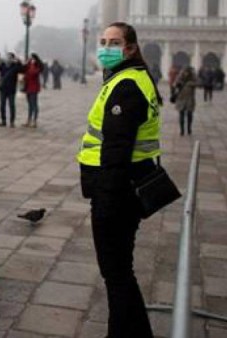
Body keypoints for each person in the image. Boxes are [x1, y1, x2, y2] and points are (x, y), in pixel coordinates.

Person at [77, 22, 159, 338]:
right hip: (126, 186)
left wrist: (106, 203)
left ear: (130, 48)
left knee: (116, 274)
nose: (106, 48)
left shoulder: (126, 85)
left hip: (116, 192)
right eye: (103, 41)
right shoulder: (130, 78)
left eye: (114, 42)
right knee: (121, 271)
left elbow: (116, 150)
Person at [0, 52, 23, 127]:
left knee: (12, 105)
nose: (8, 59)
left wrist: (18, 61)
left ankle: (12, 122)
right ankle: (3, 120)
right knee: (2, 105)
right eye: (7, 57)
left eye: (10, 57)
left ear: (13, 58)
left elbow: (22, 69)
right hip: (3, 89)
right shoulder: (3, 65)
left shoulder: (15, 66)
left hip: (11, 89)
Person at [23, 53, 44, 128]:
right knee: (30, 105)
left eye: (32, 58)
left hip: (34, 88)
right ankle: (29, 120)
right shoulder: (28, 65)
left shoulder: (37, 66)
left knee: (34, 104)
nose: (30, 59)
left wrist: (31, 65)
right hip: (28, 87)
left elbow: (33, 73)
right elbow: (23, 71)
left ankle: (34, 121)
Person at [174, 67, 197, 136]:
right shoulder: (179, 78)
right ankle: (182, 130)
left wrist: (191, 82)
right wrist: (177, 84)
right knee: (181, 114)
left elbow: (198, 83)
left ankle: (189, 128)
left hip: (190, 99)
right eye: (184, 72)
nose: (185, 73)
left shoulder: (193, 79)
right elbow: (174, 85)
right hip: (181, 99)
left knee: (189, 114)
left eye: (187, 72)